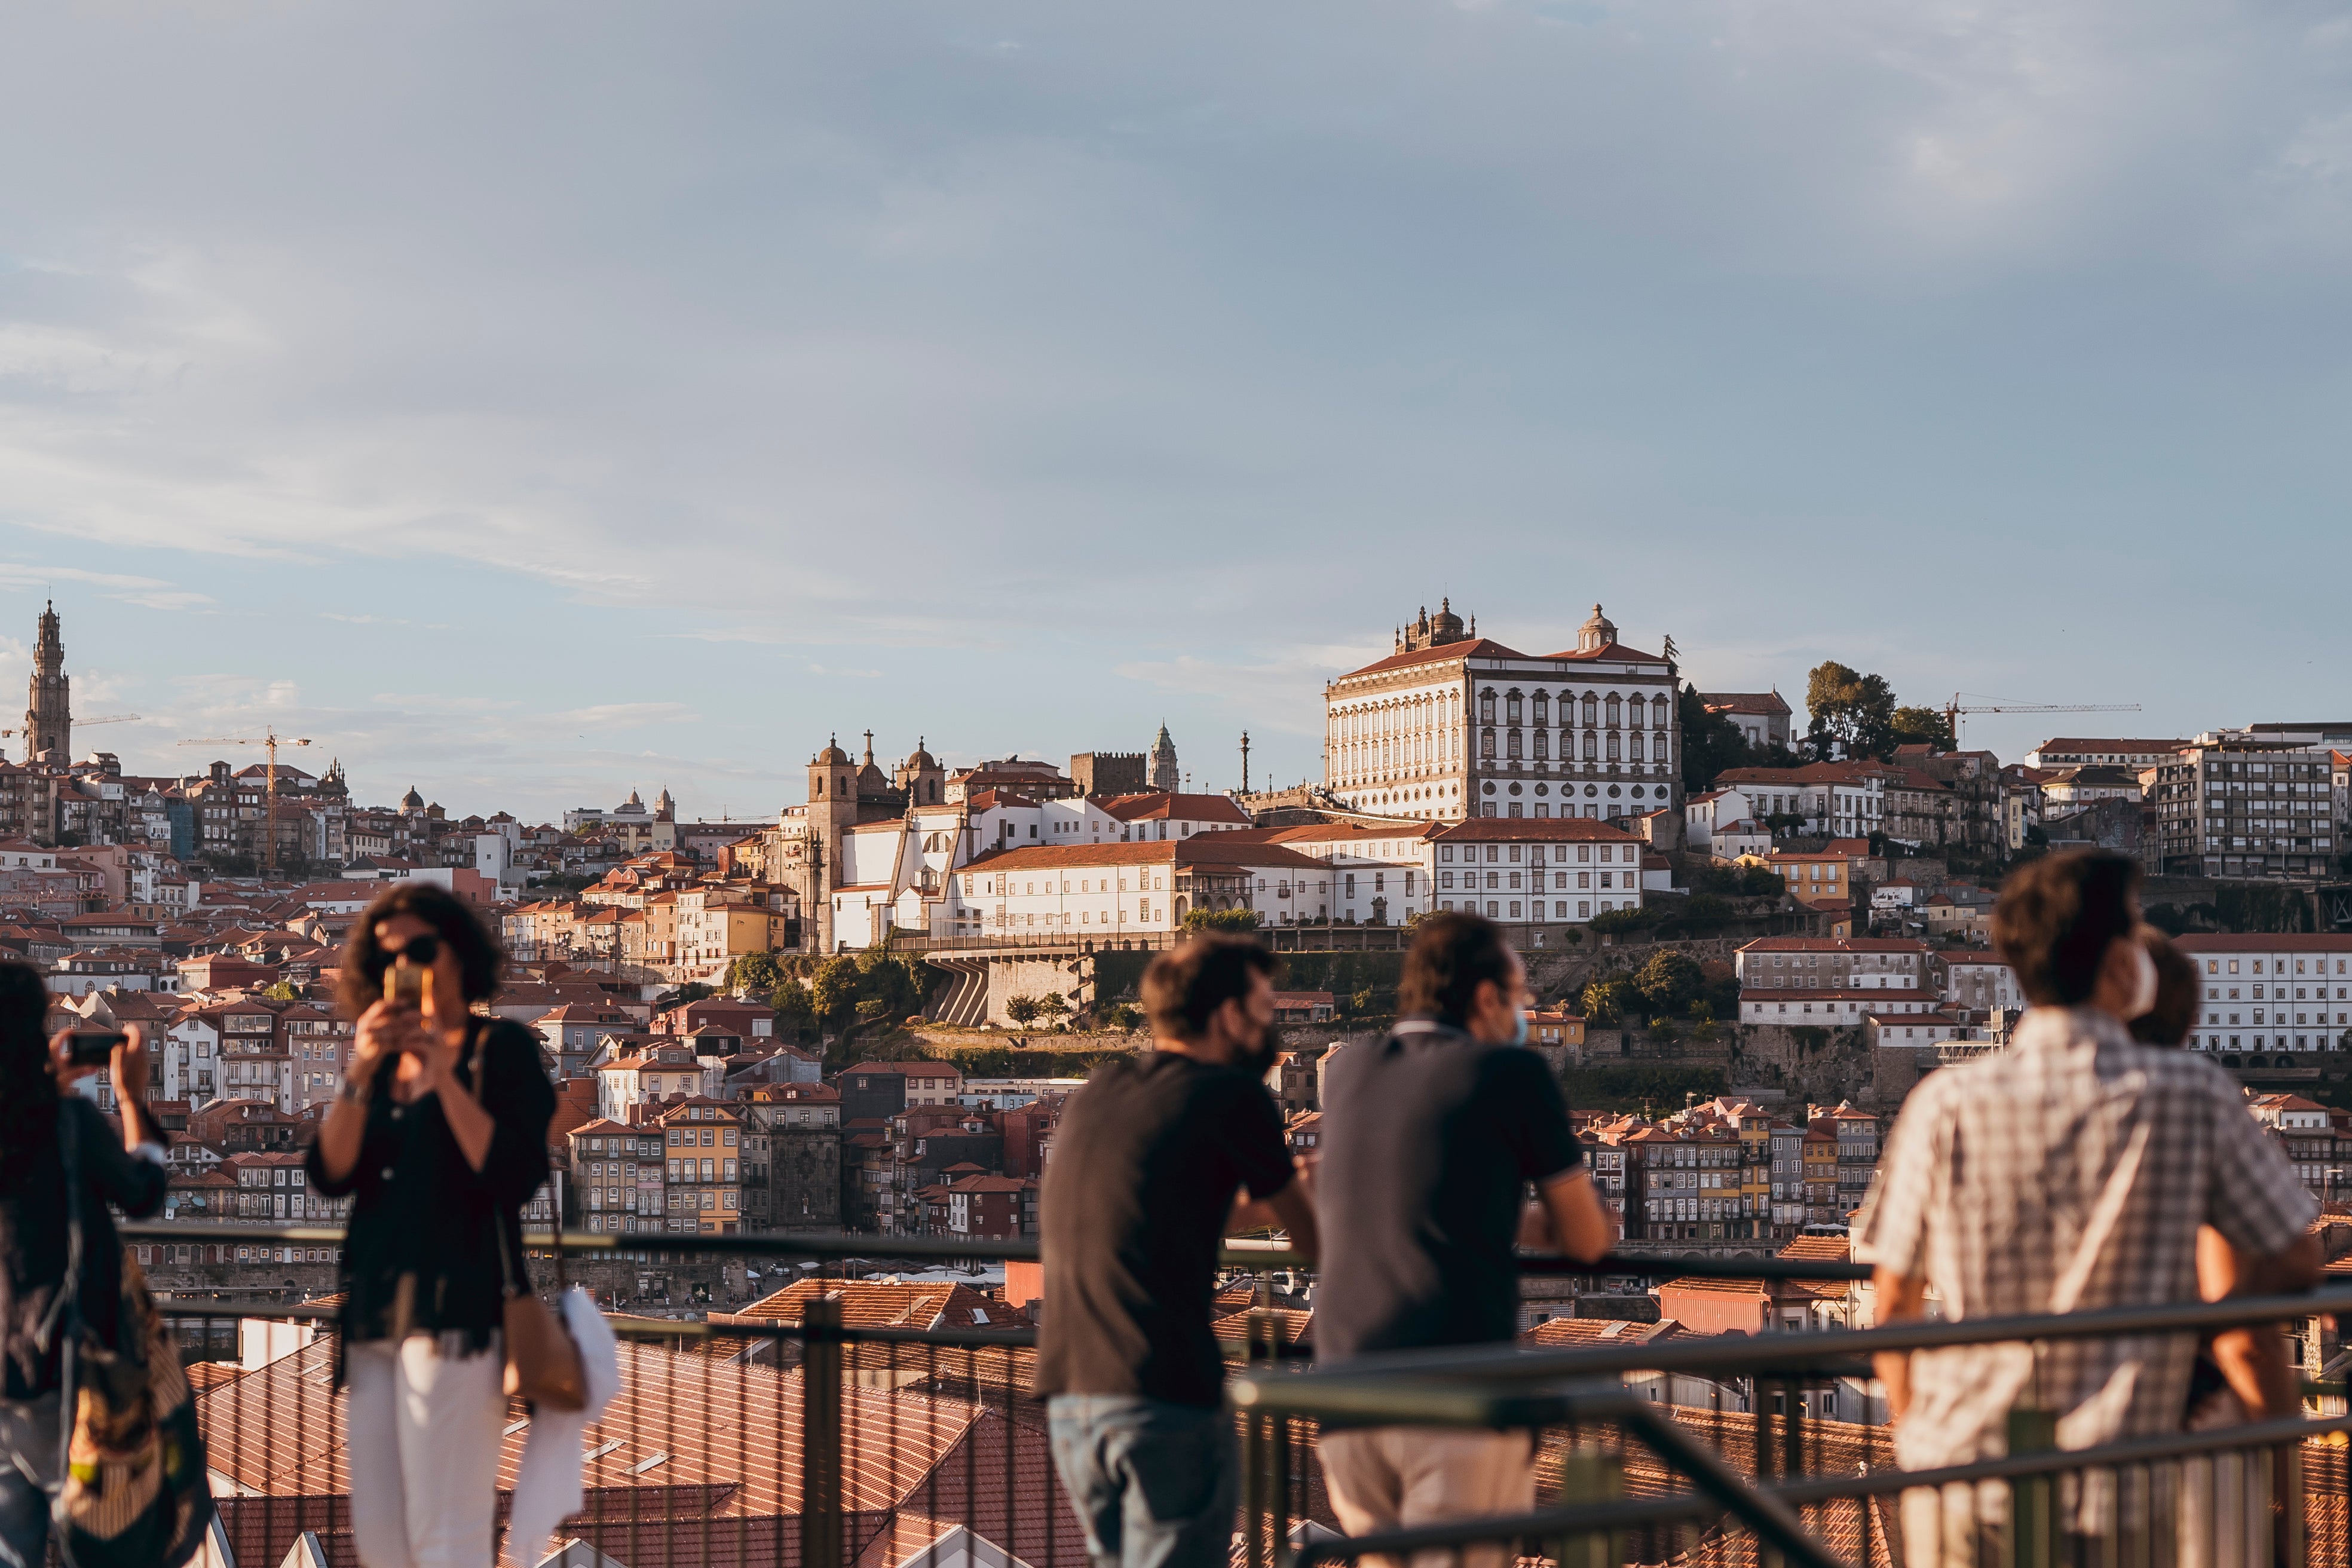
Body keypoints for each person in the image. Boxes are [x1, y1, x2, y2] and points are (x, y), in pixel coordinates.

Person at [1861, 851, 2320, 1567]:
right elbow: (2294, 1253)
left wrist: (1913, 1420)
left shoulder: (1942, 1102)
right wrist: (2187, 1323)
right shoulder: (2187, 1092)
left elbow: (1891, 1301)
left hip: (1959, 1469)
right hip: (2117, 1475)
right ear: (2116, 963)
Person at [1313, 911, 1614, 1568]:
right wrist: (1585, 1220)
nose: (1524, 1015)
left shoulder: (1349, 1070)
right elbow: (1587, 1238)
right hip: (1450, 1389)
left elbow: (1429, 1200)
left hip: (1342, 1395)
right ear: (1485, 998)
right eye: (1520, 1000)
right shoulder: (1509, 1074)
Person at [1035, 934, 1319, 1568]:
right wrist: (1312, 1188)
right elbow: (1314, 1242)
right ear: (1228, 1017)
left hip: (1074, 1394)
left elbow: (1171, 1210)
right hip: (1163, 1390)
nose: (1274, 1030)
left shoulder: (1100, 1092)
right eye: (1267, 1011)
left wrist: (1275, 1197)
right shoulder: (1233, 1096)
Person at [307, 884, 556, 1568]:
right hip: (373, 1314)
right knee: (382, 1537)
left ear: (458, 955)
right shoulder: (380, 1067)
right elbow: (330, 1173)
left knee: (446, 1532)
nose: (405, 966)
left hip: (456, 1311)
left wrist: (445, 1076)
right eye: (387, 957)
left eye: (420, 949)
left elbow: (512, 1172)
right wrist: (361, 1065)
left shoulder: (497, 1048)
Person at [0, 963, 168, 1568]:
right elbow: (143, 1192)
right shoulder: (64, 1122)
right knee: (86, 1533)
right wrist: (130, 1098)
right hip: (58, 1360)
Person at [2127, 929, 2301, 1431]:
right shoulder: (2196, 1099)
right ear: (2188, 1021)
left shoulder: (1959, 1101)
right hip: (2183, 1406)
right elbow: (2289, 1263)